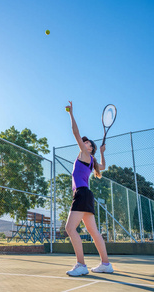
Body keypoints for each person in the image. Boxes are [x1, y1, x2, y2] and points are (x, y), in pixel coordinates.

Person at [65, 101, 114, 276]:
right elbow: (103, 166)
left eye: (86, 143)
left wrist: (71, 113)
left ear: (89, 148)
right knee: (94, 232)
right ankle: (106, 264)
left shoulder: (86, 155)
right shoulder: (92, 160)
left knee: (70, 229)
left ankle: (81, 265)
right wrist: (102, 152)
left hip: (81, 193)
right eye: (83, 142)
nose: (83, 142)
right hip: (87, 195)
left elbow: (75, 132)